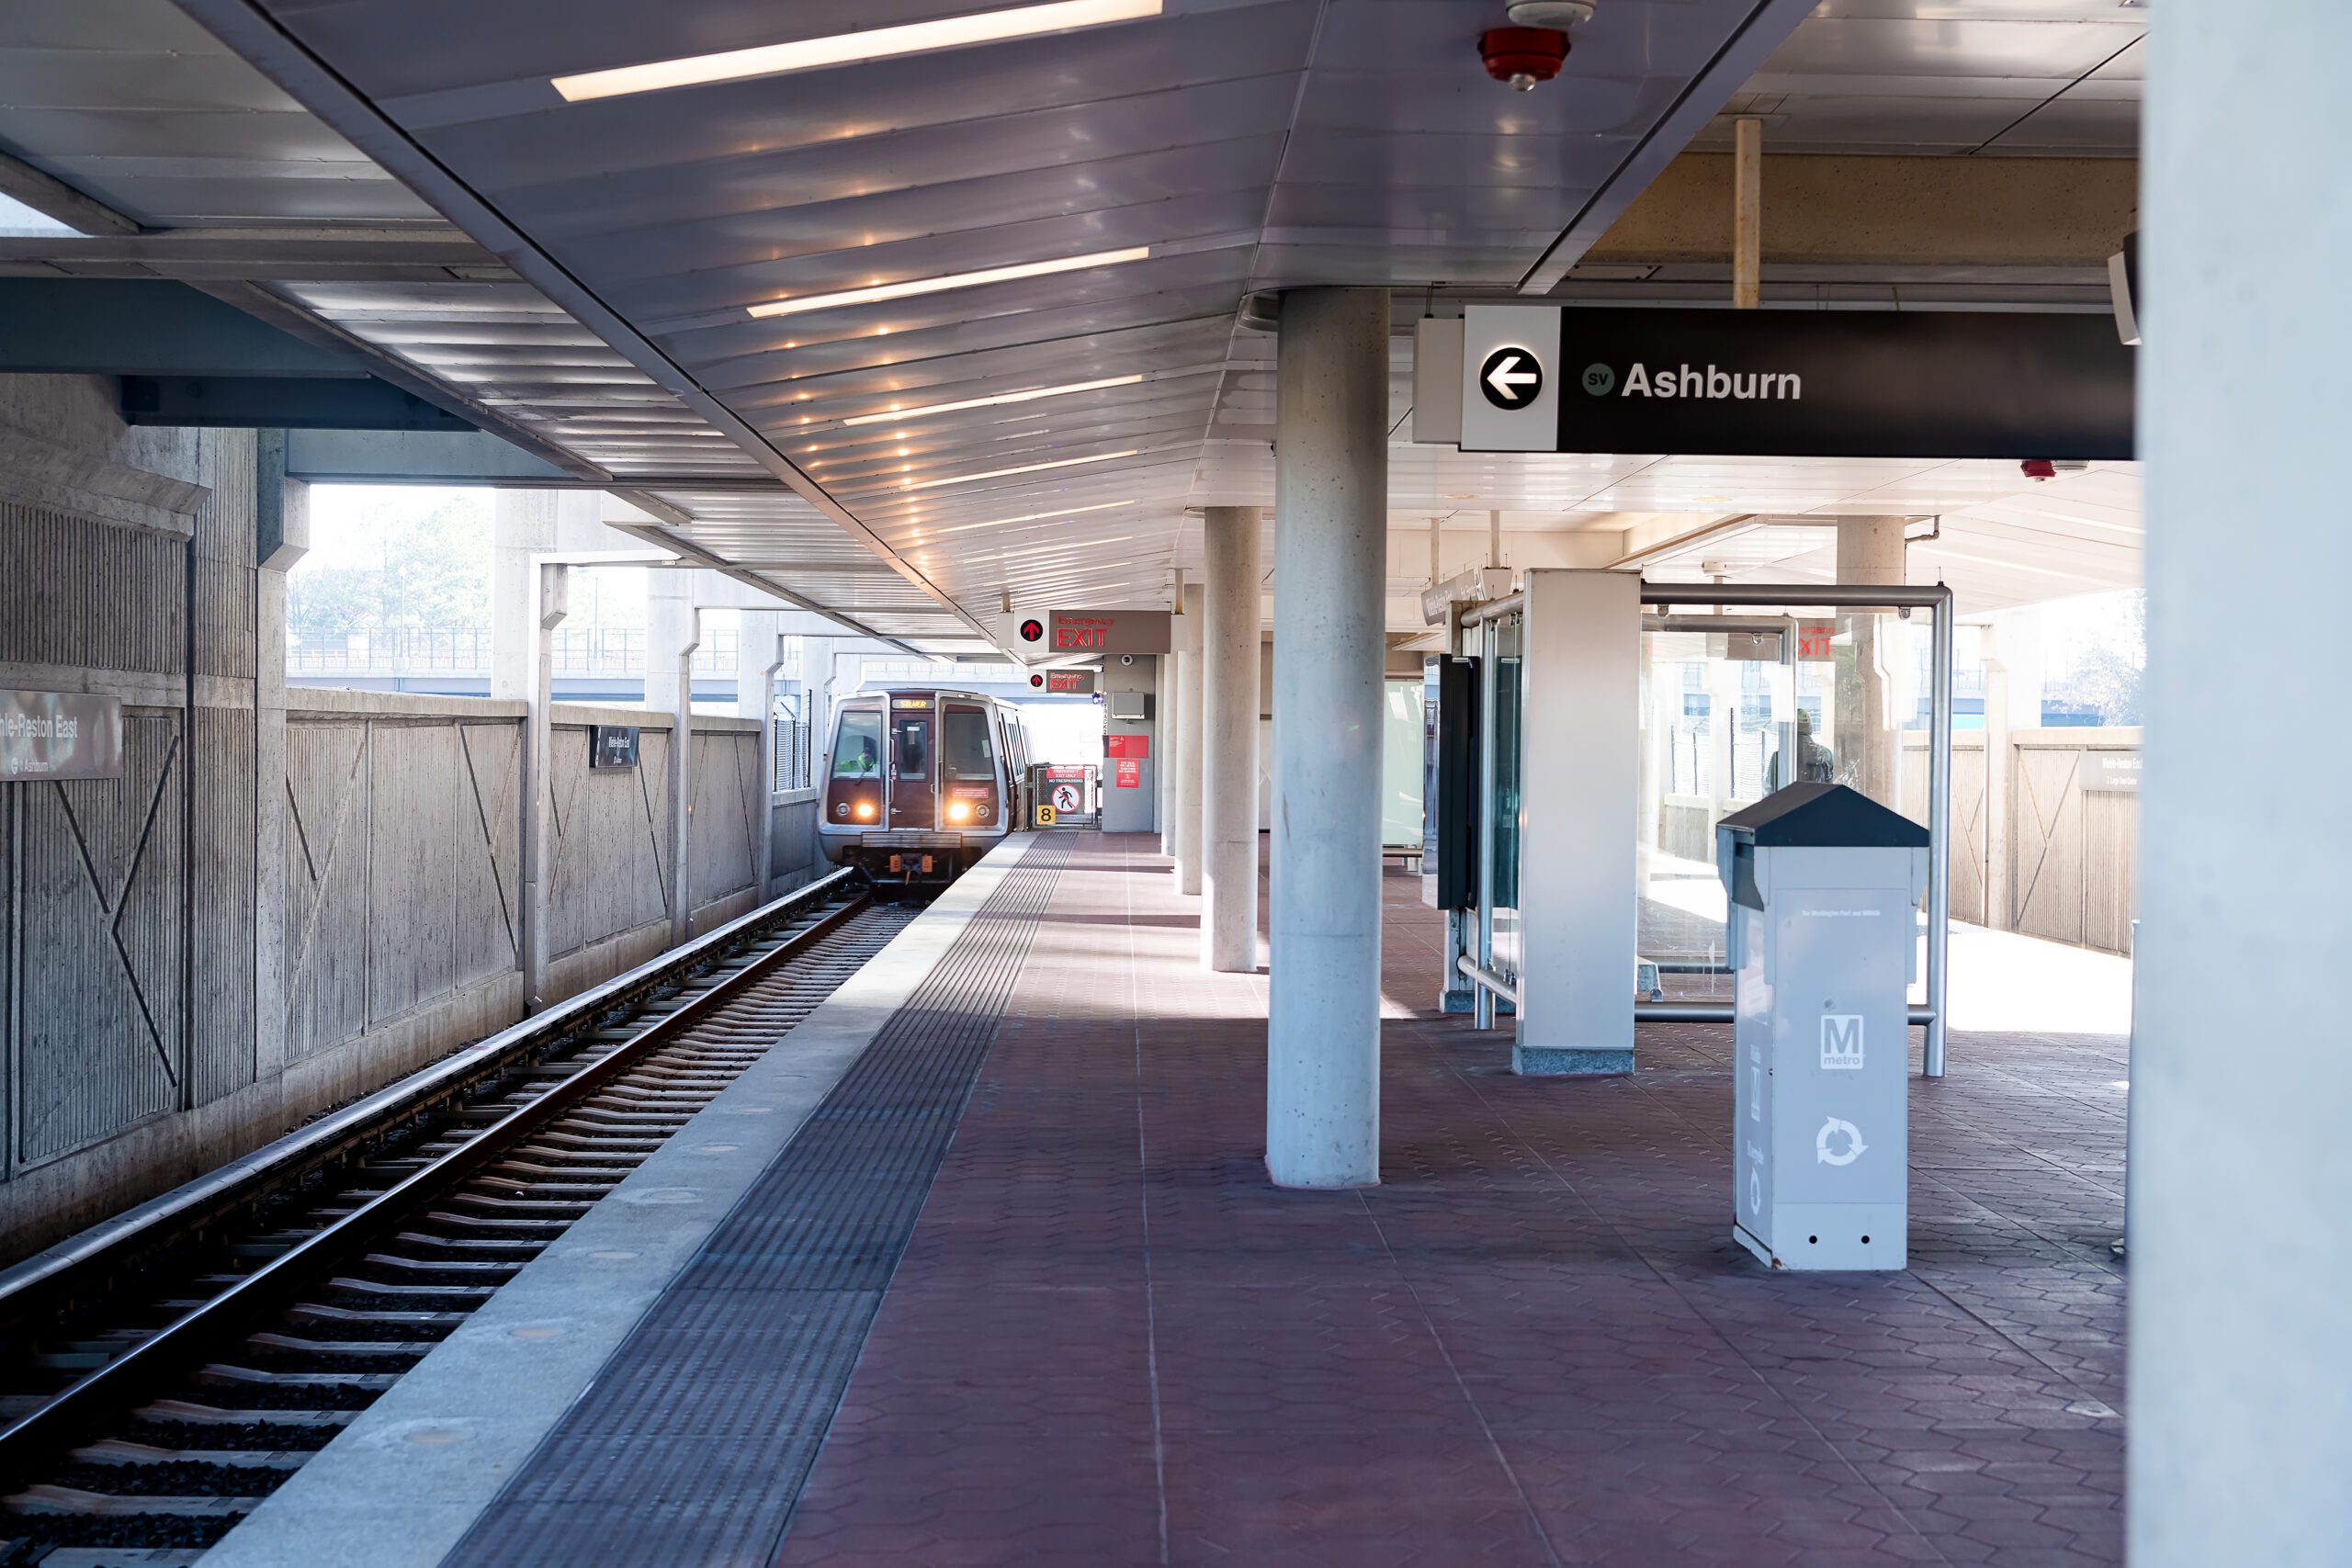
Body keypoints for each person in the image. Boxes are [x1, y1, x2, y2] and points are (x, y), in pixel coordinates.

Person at [1766, 709, 1835, 791]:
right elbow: (1832, 783)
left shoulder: (1779, 756)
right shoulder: (1826, 754)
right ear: (1809, 727)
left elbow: (1769, 788)